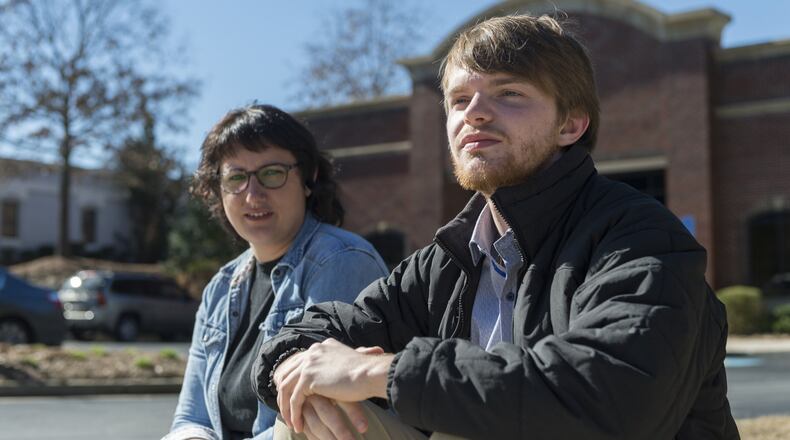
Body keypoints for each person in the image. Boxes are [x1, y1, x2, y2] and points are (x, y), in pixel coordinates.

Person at [252, 14, 739, 440]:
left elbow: (610, 393)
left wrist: (383, 370)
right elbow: (320, 327)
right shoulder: (448, 259)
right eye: (459, 100)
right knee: (312, 413)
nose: (475, 113)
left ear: (570, 125)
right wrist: (290, 366)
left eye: (509, 93)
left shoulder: (640, 237)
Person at [164, 104, 389, 440]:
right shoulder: (221, 287)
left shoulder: (341, 261)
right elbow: (190, 416)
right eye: (236, 178)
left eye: (272, 173)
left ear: (308, 178)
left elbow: (314, 418)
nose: (253, 195)